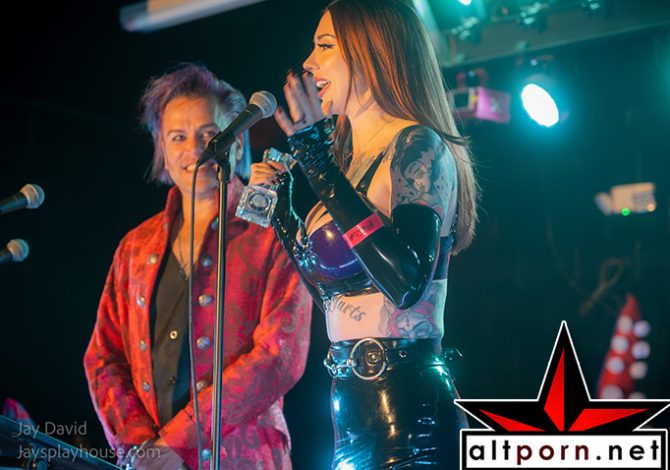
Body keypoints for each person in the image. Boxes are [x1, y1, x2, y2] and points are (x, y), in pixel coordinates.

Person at [250, 1, 479, 468]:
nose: (309, 63)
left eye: (325, 46)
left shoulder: (417, 145)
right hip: (349, 405)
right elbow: (332, 295)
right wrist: (282, 210)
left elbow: (405, 282)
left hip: (411, 411)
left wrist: (318, 165)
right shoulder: (346, 163)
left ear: (372, 50)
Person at [84, 63, 312, 470]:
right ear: (162, 148)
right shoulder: (135, 246)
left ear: (237, 144)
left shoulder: (273, 232)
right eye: (178, 137)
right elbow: (104, 357)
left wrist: (176, 442)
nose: (196, 148)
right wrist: (142, 448)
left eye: (210, 134)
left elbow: (279, 356)